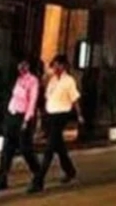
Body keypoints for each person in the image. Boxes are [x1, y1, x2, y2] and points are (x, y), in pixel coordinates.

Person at [33, 54, 84, 191]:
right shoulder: (53, 80)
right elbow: (47, 96)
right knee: (59, 146)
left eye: (57, 65)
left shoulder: (69, 81)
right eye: (53, 66)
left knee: (49, 148)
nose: (54, 68)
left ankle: (38, 180)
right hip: (50, 115)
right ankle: (70, 170)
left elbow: (75, 99)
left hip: (61, 115)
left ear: (63, 66)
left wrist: (79, 115)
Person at [0, 57, 42, 193]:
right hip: (11, 115)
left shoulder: (33, 81)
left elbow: (32, 102)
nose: (21, 67)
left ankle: (38, 175)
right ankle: (2, 178)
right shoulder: (17, 79)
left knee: (25, 149)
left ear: (28, 66)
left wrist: (26, 120)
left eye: (24, 65)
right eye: (20, 65)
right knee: (7, 149)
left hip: (22, 117)